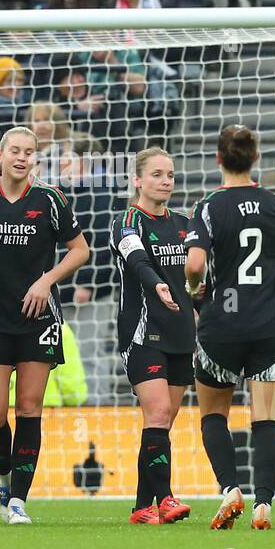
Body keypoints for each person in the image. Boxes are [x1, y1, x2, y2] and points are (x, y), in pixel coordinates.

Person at [183, 126, 275, 531]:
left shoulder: (209, 207)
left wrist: (194, 291)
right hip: (269, 325)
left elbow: (196, 265)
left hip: (223, 327)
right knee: (265, 418)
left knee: (213, 414)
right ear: (256, 159)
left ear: (218, 158)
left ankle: (230, 488)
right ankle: (263, 504)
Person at [0, 126, 89, 523]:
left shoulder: (50, 199)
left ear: (36, 158)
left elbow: (80, 250)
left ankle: (18, 500)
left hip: (37, 317)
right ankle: (5, 475)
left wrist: (46, 280)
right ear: (0, 153)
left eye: (29, 152)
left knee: (29, 407)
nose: (22, 158)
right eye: (15, 151)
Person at [109, 146, 195, 525]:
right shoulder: (127, 220)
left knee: (162, 422)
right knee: (158, 412)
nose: (165, 182)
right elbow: (137, 260)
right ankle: (165, 497)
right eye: (157, 174)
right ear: (137, 180)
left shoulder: (183, 223)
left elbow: (195, 274)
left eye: (170, 175)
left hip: (180, 332)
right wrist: (158, 286)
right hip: (143, 331)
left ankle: (142, 506)